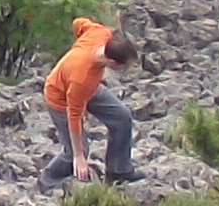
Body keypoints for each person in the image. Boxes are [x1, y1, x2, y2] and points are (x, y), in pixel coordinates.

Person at [39, 17, 143, 188]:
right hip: (59, 97)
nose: (126, 70)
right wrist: (79, 157)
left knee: (122, 118)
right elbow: (74, 118)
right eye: (124, 67)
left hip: (88, 90)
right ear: (111, 62)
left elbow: (78, 22)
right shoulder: (82, 77)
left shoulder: (101, 33)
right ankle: (47, 179)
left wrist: (78, 46)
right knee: (75, 151)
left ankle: (119, 171)